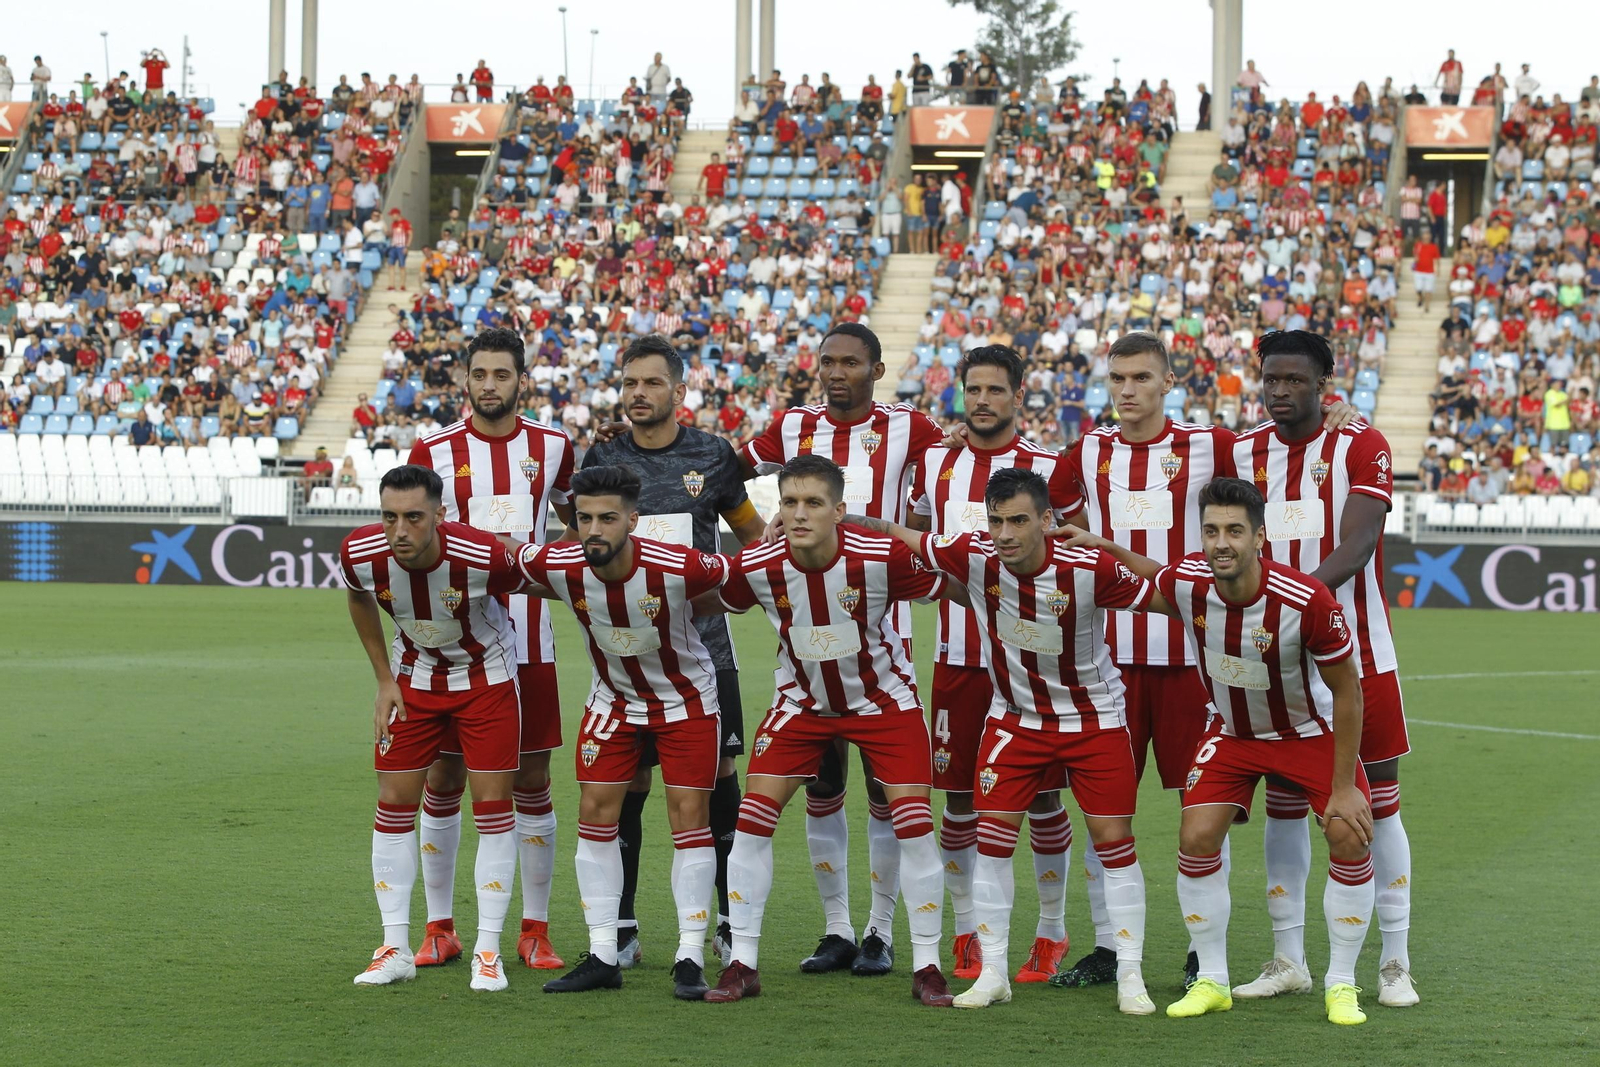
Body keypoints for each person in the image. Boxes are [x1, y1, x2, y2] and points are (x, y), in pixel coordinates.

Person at [1063, 477, 1376, 1025]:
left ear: (1260, 537)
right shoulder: (1190, 583)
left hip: (1307, 733)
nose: (1221, 543)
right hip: (1232, 735)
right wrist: (1104, 547)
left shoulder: (1307, 600)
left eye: (1234, 531)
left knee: (1348, 833)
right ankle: (1212, 978)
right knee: (1196, 834)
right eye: (1211, 531)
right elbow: (1150, 573)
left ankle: (1341, 982)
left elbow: (1349, 692)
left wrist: (1346, 785)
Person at [854, 467, 1159, 1015]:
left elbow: (1168, 593)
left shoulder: (1089, 568)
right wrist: (837, 517)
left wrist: (1107, 542)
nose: (1007, 533)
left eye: (1019, 520)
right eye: (997, 521)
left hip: (1094, 721)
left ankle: (1130, 975)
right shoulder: (974, 555)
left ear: (1047, 519)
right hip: (1015, 722)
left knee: (1115, 846)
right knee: (991, 843)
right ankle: (993, 970)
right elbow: (898, 533)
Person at [703, 456, 958, 1008]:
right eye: (789, 502)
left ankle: (928, 965)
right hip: (801, 704)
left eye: (813, 503)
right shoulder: (759, 563)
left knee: (914, 825)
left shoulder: (879, 556)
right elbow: (709, 596)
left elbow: (953, 585)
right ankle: (743, 962)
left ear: (840, 511)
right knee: (751, 823)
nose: (799, 514)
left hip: (883, 702)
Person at [737, 324, 944, 974]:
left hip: (881, 635)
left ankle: (882, 931)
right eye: (827, 361)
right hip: (805, 637)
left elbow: (954, 480)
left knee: (888, 792)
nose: (835, 372)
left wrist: (914, 530)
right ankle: (838, 928)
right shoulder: (792, 424)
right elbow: (722, 470)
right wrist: (754, 525)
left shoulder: (914, 428)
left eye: (849, 362)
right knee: (821, 784)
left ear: (876, 369)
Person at [1231, 330, 1416, 1009]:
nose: (1282, 391)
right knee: (1285, 807)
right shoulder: (1241, 451)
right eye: (1271, 379)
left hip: (1358, 656)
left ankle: (1394, 962)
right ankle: (1288, 958)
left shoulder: (1360, 444)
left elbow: (1361, 542)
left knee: (1379, 807)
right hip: (1276, 664)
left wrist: (1292, 601)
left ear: (1324, 383)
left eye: (1296, 381)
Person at [580, 336, 769, 970]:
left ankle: (724, 920)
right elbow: (576, 536)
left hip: (705, 659)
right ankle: (624, 926)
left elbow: (752, 536)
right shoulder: (603, 455)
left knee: (717, 785)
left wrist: (726, 593)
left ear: (678, 392)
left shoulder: (713, 456)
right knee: (625, 788)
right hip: (627, 661)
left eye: (651, 383)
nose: (638, 393)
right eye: (629, 382)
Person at [519, 465, 729, 998]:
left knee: (689, 817)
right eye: (584, 518)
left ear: (634, 520)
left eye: (607, 518)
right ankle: (603, 953)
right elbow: (501, 561)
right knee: (595, 815)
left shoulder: (679, 565)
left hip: (685, 701)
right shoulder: (561, 563)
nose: (594, 529)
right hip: (612, 702)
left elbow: (739, 583)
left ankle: (688, 954)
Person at [405, 328, 577, 973]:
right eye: (480, 374)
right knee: (443, 778)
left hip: (530, 641)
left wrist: (544, 570)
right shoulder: (436, 450)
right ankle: (440, 927)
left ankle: (534, 928)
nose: (489, 386)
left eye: (502, 375)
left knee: (532, 780)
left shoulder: (553, 446)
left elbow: (575, 517)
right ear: (466, 379)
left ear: (520, 380)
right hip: (454, 643)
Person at [910, 346, 1081, 985]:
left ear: (1018, 394)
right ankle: (968, 930)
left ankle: (1052, 930)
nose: (982, 401)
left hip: (1037, 665)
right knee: (957, 799)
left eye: (995, 390)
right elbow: (918, 544)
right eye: (972, 389)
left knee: (1040, 798)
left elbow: (1071, 551)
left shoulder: (1048, 467)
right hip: (959, 657)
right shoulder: (935, 461)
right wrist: (948, 593)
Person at [341, 464, 531, 992]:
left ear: (439, 516)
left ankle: (488, 952)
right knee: (393, 804)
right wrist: (383, 679)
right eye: (389, 517)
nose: (400, 531)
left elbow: (542, 578)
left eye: (414, 518)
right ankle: (394, 946)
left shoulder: (480, 554)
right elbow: (357, 596)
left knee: (493, 810)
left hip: (486, 678)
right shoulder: (360, 553)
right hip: (413, 680)